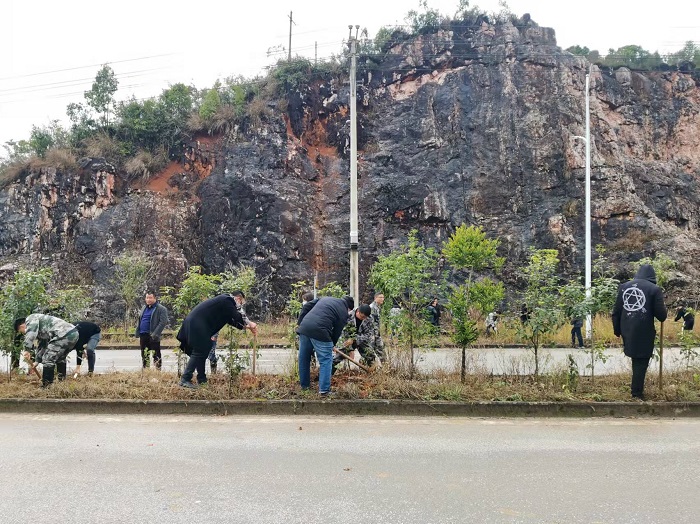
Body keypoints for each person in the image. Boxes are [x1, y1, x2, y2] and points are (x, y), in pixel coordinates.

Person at [176, 294, 257, 388]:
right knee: (199, 351)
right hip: (197, 324)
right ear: (238, 299)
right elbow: (236, 315)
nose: (240, 306)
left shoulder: (225, 305)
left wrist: (247, 327)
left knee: (203, 351)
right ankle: (185, 379)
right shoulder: (227, 300)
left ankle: (202, 379)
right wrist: (250, 323)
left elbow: (232, 320)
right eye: (241, 303)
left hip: (197, 324)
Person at [612, 264, 668, 400]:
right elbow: (661, 316)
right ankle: (636, 393)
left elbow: (616, 312)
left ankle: (636, 390)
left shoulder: (624, 287)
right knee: (641, 361)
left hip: (627, 329)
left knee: (636, 360)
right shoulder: (654, 289)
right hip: (644, 332)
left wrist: (617, 331)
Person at [297, 295, 354, 395]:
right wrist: (332, 344)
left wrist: (300, 323)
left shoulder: (325, 298)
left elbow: (306, 307)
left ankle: (304, 387)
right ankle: (324, 390)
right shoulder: (343, 312)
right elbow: (337, 331)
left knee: (304, 359)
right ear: (349, 308)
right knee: (326, 360)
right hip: (320, 331)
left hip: (304, 328)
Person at [14, 314, 79, 386]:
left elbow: (31, 333)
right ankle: (62, 383)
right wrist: (37, 361)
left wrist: (27, 349)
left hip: (62, 334)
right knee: (60, 358)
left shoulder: (31, 318)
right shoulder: (41, 327)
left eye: (21, 331)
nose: (23, 334)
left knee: (48, 359)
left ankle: (47, 386)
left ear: (21, 326)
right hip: (73, 334)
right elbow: (42, 345)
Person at [135, 291, 169, 369]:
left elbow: (163, 322)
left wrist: (155, 334)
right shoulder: (144, 307)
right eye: (147, 298)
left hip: (153, 335)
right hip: (143, 335)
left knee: (156, 354)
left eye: (150, 298)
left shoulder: (161, 309)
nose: (148, 299)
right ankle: (146, 370)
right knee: (144, 354)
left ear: (155, 298)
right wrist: (138, 331)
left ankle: (157, 371)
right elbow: (140, 319)